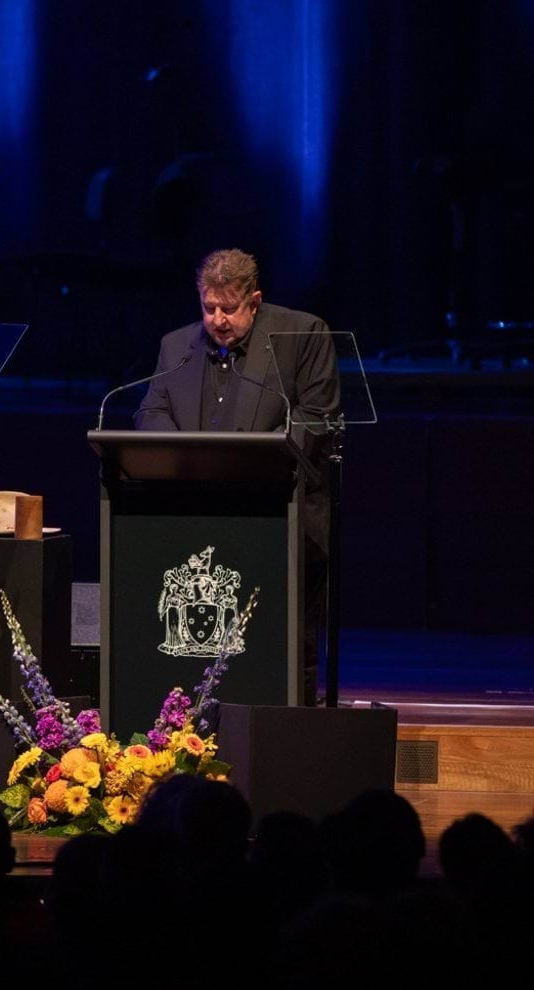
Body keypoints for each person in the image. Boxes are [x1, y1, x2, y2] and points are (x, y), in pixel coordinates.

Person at [135, 248, 340, 703]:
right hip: (196, 524)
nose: (218, 320)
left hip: (280, 522)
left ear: (255, 301)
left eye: (230, 308)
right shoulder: (176, 347)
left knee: (286, 647)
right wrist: (182, 458)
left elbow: (316, 417)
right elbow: (152, 410)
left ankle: (289, 738)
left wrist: (252, 463)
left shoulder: (302, 334)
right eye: (209, 308)